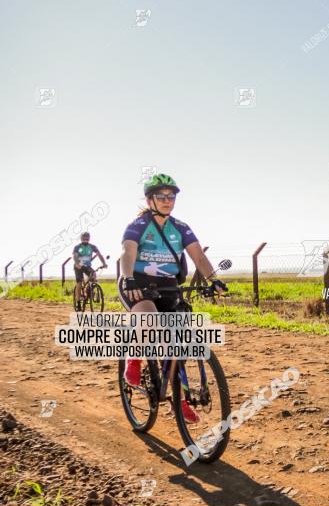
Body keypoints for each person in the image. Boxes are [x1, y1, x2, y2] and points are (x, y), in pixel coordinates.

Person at [118, 173, 227, 424]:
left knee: (173, 347)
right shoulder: (138, 226)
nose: (168, 200)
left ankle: (179, 402)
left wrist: (213, 279)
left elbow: (199, 256)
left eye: (171, 196)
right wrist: (129, 278)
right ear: (149, 200)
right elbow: (127, 252)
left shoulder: (181, 227)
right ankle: (134, 358)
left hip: (168, 286)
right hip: (137, 284)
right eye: (161, 196)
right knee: (149, 318)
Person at [72, 232, 107, 305]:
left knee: (93, 275)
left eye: (87, 238)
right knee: (79, 283)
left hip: (87, 266)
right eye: (84, 238)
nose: (85, 240)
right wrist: (77, 263)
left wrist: (104, 263)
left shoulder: (92, 247)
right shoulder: (77, 247)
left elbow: (99, 255)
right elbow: (75, 256)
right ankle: (78, 302)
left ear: (89, 239)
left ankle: (88, 293)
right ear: (81, 239)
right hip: (79, 266)